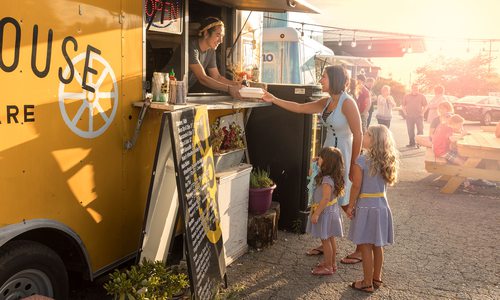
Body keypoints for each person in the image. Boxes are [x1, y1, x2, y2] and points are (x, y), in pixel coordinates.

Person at [261, 65, 363, 258]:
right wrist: (273, 99)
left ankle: (360, 248)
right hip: (328, 154)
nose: (320, 80)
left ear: (334, 79)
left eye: (323, 77)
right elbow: (299, 108)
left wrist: (354, 164)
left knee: (345, 202)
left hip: (344, 155)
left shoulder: (348, 102)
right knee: (325, 196)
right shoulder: (326, 102)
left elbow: (358, 134)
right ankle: (326, 244)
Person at [346, 125, 399, 293]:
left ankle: (367, 282)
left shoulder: (361, 160)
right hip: (382, 206)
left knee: (365, 245)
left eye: (367, 134)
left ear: (374, 140)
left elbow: (356, 186)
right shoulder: (387, 160)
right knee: (378, 244)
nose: (364, 136)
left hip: (366, 206)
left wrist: (350, 205)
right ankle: (377, 277)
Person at [306, 147, 345, 275]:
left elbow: (326, 198)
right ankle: (331, 264)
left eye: (321, 157)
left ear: (327, 162)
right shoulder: (330, 176)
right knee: (330, 238)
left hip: (325, 212)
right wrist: (315, 163)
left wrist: (316, 213)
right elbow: (310, 173)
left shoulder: (326, 180)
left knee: (325, 240)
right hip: (331, 211)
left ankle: (328, 266)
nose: (318, 158)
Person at [187, 17, 241, 98]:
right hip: (165, 88)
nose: (221, 41)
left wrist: (236, 84)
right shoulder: (191, 46)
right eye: (218, 35)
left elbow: (217, 77)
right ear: (206, 33)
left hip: (182, 90)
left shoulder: (211, 51)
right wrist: (229, 89)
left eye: (222, 36)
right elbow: (202, 78)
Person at [402, 84, 427, 148]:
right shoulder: (406, 96)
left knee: (420, 130)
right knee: (410, 130)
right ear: (412, 89)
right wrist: (405, 113)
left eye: (417, 88)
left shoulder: (422, 96)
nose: (415, 89)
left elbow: (426, 105)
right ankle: (412, 143)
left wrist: (423, 112)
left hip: (419, 116)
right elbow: (403, 105)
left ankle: (419, 143)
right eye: (414, 88)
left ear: (418, 89)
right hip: (409, 116)